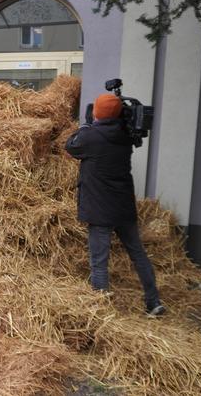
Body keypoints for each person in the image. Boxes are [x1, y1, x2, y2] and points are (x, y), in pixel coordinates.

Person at [65, 93, 165, 316]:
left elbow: (70, 146)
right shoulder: (126, 134)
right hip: (123, 207)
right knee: (137, 254)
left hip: (100, 209)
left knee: (99, 262)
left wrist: (87, 125)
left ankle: (101, 314)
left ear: (98, 113)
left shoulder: (92, 137)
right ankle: (153, 301)